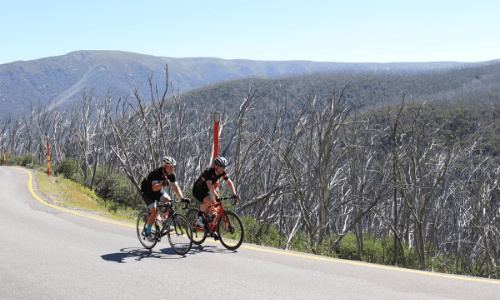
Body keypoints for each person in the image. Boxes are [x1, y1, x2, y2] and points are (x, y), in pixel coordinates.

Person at [141, 156, 186, 242]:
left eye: (173, 167)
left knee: (168, 201)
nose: (172, 169)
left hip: (157, 190)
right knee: (154, 211)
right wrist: (163, 184)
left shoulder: (171, 175)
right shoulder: (157, 173)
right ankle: (148, 231)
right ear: (165, 166)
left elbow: (176, 187)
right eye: (171, 167)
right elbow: (154, 188)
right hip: (147, 191)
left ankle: (165, 221)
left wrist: (182, 198)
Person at [192, 156, 240, 234]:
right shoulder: (209, 172)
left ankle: (212, 230)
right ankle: (199, 215)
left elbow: (229, 183)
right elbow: (209, 186)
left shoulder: (222, 172)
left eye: (224, 167)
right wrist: (216, 196)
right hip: (198, 190)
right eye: (221, 166)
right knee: (210, 200)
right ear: (215, 166)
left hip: (206, 190)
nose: (223, 168)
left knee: (214, 213)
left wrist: (234, 194)